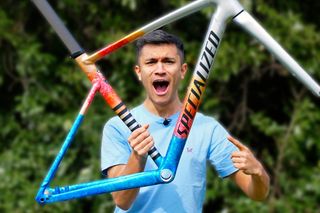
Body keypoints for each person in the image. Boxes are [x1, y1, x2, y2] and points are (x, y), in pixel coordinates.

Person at [101, 29, 270, 212]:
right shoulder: (117, 127)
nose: (160, 70)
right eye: (151, 62)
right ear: (139, 72)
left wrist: (258, 172)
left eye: (168, 61)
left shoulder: (207, 127)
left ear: (182, 70)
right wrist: (137, 157)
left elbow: (257, 194)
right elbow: (121, 200)